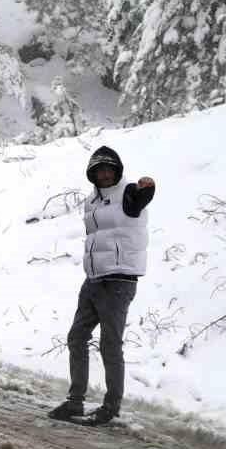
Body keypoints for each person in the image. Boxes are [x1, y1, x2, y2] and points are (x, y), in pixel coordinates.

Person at [49, 146, 156, 427]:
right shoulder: (91, 201)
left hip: (119, 280)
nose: (105, 174)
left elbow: (140, 201)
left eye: (109, 169)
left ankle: (110, 407)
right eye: (99, 170)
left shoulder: (129, 193)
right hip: (94, 278)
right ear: (92, 174)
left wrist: (148, 187)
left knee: (110, 345)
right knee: (76, 337)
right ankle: (75, 402)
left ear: (117, 170)